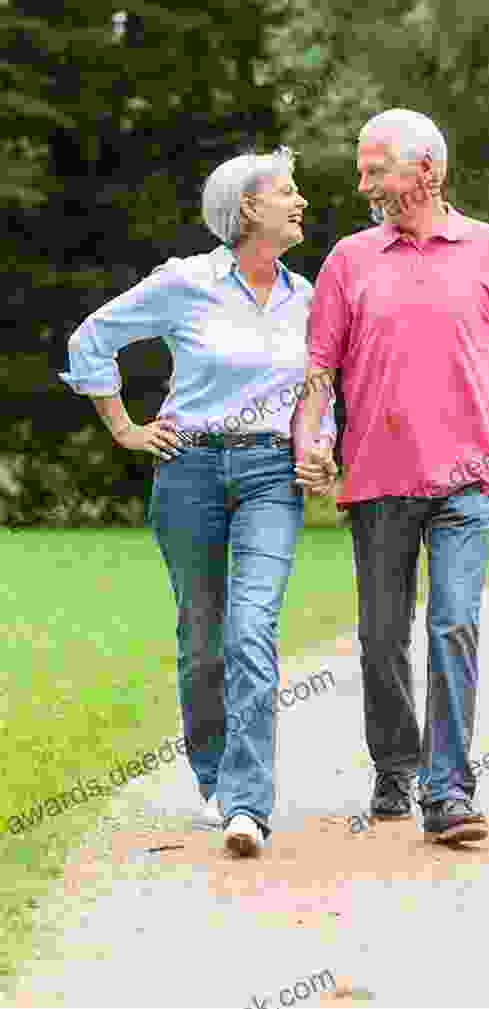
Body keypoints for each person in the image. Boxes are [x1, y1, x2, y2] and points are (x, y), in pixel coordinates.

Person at [59, 146, 337, 857]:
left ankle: (247, 803)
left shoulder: (308, 300)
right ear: (248, 209)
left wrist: (320, 446)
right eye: (288, 192)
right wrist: (125, 429)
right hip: (189, 472)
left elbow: (316, 389)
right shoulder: (186, 282)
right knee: (203, 636)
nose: (301, 202)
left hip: (272, 474)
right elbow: (93, 339)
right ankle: (214, 775)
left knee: (251, 629)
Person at [296, 109, 489, 844]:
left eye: (376, 167)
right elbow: (319, 370)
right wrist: (309, 437)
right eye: (362, 167)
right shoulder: (349, 259)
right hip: (377, 480)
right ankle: (396, 763)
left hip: (470, 480)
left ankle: (448, 790)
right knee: (382, 636)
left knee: (453, 623)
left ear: (427, 172)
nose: (362, 181)